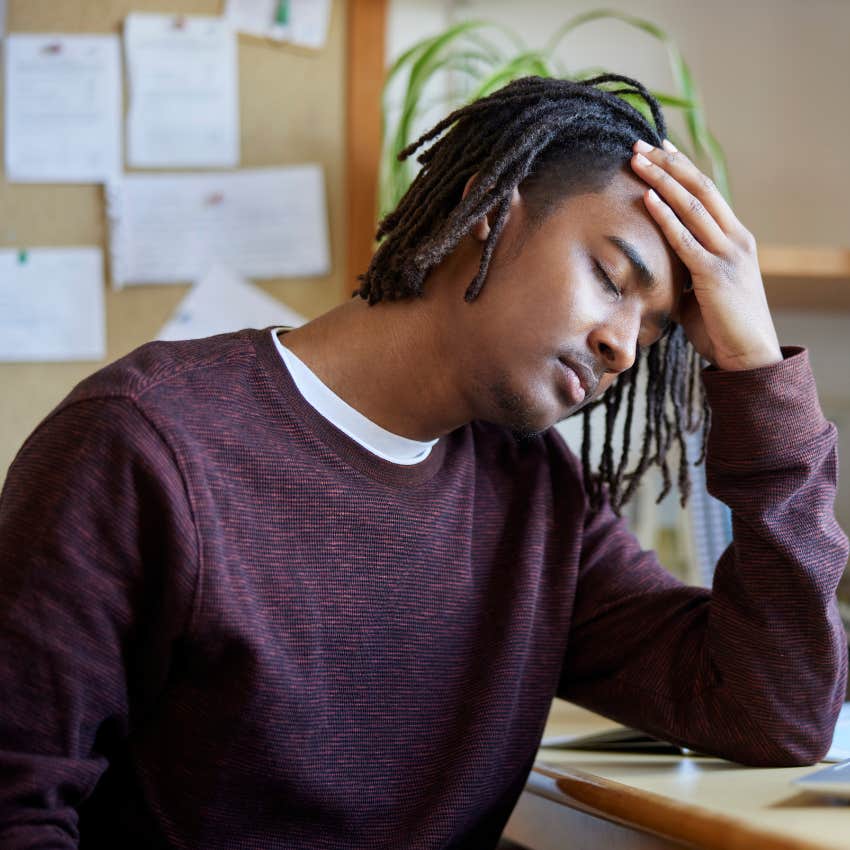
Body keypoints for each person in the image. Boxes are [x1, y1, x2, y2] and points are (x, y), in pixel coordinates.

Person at [0, 74, 846, 850]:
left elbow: (774, 709)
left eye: (655, 332)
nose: (621, 346)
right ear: (486, 209)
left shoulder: (538, 494)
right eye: (608, 277)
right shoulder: (144, 443)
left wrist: (756, 371)